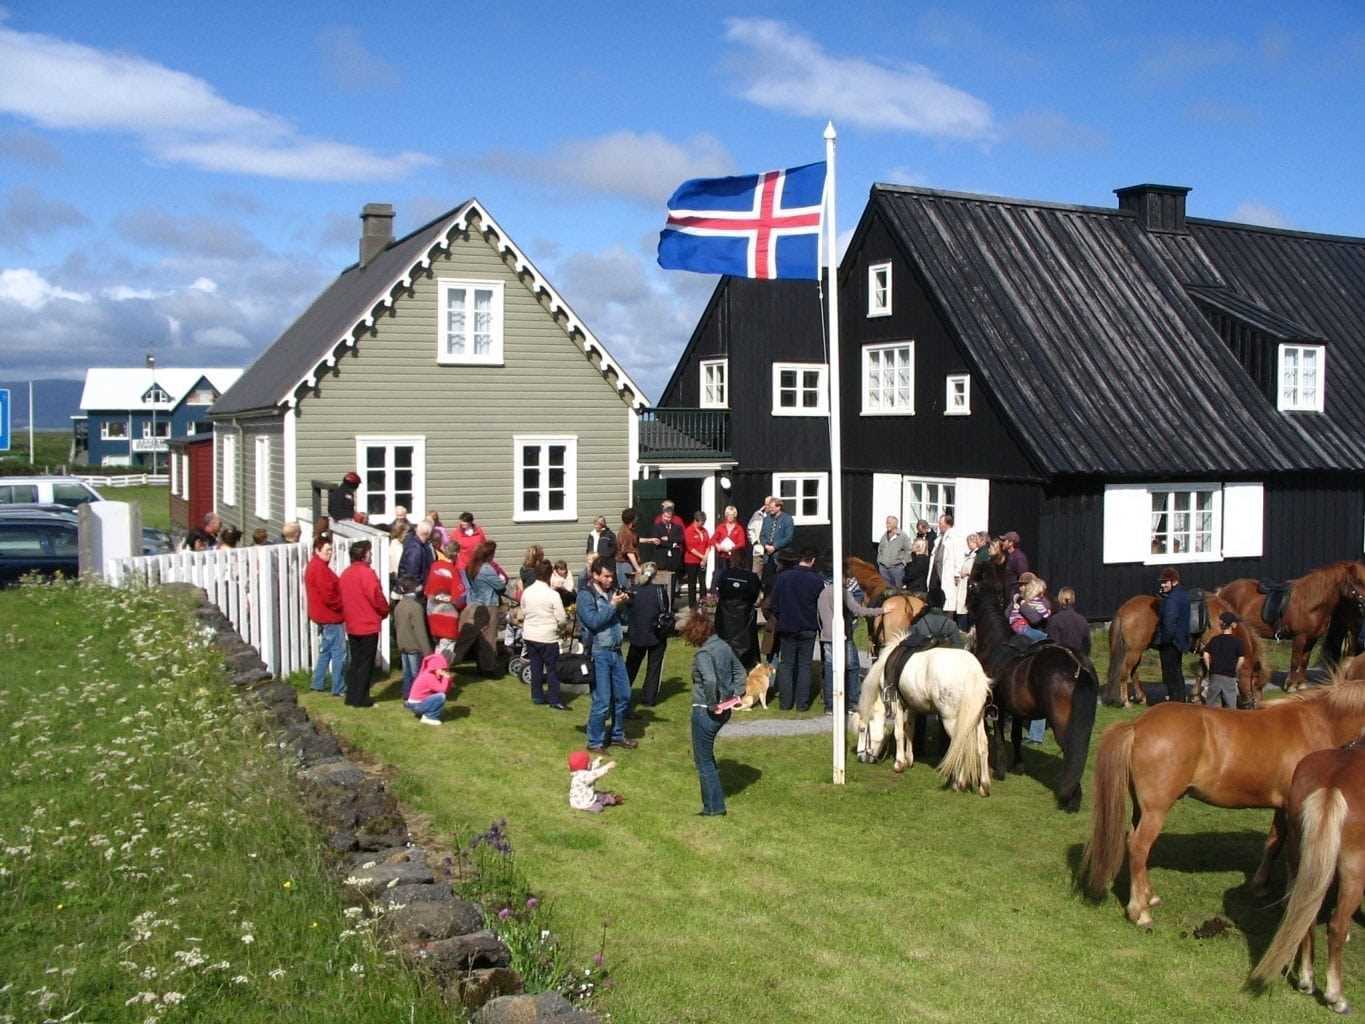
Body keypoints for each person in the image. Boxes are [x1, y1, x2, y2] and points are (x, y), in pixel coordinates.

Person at [683, 609, 747, 816]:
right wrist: (736, 695)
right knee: (708, 758)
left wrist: (712, 703)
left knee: (704, 761)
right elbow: (740, 672)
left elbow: (710, 680)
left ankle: (714, 807)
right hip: (725, 709)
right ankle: (713, 805)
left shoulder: (703, 654)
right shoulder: (723, 646)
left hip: (705, 711)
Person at [578, 558, 637, 752]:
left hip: (616, 650)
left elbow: (623, 619)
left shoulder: (612, 592)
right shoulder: (586, 596)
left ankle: (617, 735)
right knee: (602, 700)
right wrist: (612, 605)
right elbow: (593, 622)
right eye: (606, 576)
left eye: (612, 576)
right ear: (595, 575)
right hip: (599, 652)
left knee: (624, 696)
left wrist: (626, 604)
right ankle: (595, 741)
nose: (610, 580)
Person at [817, 574, 883, 713]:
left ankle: (830, 705)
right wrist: (881, 610)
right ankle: (853, 702)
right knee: (852, 667)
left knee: (830, 669)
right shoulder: (843, 592)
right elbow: (858, 610)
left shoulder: (823, 593)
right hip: (843, 635)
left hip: (827, 636)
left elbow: (819, 615)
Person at [769, 548, 824, 711]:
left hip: (787, 626)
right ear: (812, 561)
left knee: (786, 665)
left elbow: (774, 604)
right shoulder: (817, 580)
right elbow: (820, 606)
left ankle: (785, 703)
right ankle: (802, 704)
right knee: (804, 665)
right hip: (808, 626)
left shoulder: (783, 578)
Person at [339, 540, 389, 707]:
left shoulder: (346, 574)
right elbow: (376, 596)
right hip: (367, 623)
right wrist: (384, 610)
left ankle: (352, 696)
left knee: (356, 661)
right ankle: (362, 698)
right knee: (366, 663)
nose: (371, 554)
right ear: (364, 554)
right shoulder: (366, 573)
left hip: (352, 623)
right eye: (369, 552)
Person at [521, 559, 568, 709]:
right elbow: (561, 617)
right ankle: (554, 698)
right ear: (549, 575)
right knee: (552, 668)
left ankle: (537, 696)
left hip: (530, 634)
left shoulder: (527, 592)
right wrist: (561, 628)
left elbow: (524, 610)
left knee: (535, 666)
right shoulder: (552, 595)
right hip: (547, 636)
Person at [456, 540, 506, 675]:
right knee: (489, 639)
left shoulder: (471, 566)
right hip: (489, 604)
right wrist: (502, 580)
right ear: (490, 554)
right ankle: (488, 668)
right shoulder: (487, 569)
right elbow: (500, 586)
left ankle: (452, 660)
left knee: (470, 638)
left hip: (474, 603)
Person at [305, 533, 347, 695]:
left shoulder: (315, 566)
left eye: (331, 550)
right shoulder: (320, 569)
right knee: (338, 653)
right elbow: (329, 596)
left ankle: (318, 682)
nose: (330, 553)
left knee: (327, 651)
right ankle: (338, 687)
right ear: (317, 550)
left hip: (321, 614)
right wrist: (343, 606)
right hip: (330, 616)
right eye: (327, 550)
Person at [625, 563, 670, 710]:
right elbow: (665, 610)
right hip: (656, 634)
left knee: (630, 667)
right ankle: (649, 698)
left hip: (637, 634)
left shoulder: (632, 591)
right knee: (654, 667)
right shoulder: (660, 591)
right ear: (655, 575)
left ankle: (622, 693)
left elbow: (627, 611)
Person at [714, 559, 762, 669]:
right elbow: (755, 595)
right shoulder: (751, 577)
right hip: (743, 618)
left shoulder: (724, 574)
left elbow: (719, 590)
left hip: (726, 618)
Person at [393, 574, 432, 700]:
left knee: (407, 673)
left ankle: (406, 694)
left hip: (403, 644)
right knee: (417, 674)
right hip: (414, 646)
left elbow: (396, 626)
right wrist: (428, 652)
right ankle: (417, 696)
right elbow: (420, 632)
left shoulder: (399, 606)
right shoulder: (416, 607)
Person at [1155, 567, 1191, 703]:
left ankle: (1175, 702)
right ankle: (1180, 700)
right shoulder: (1183, 594)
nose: (1162, 585)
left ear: (1173, 581)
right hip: (1180, 640)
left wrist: (1163, 641)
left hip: (1170, 642)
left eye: (1165, 582)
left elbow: (1169, 622)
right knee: (1177, 672)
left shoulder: (1172, 600)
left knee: (1170, 675)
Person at [1202, 611, 1245, 708]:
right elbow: (1241, 659)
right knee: (1231, 705)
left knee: (1211, 704)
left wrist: (1210, 668)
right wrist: (1235, 669)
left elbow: (1205, 654)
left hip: (1215, 675)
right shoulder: (1238, 642)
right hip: (1229, 676)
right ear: (1233, 625)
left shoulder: (1214, 640)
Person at [404, 651, 452, 725]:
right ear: (434, 667)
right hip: (416, 705)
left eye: (444, 669)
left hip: (416, 704)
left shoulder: (430, 674)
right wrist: (446, 678)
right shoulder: (429, 676)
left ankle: (426, 713)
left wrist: (448, 680)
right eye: (441, 669)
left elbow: (446, 689)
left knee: (440, 695)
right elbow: (443, 690)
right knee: (441, 696)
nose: (444, 671)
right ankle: (429, 717)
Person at [757, 499, 795, 590]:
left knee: (781, 579)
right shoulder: (766, 519)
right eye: (769, 507)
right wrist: (765, 545)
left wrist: (775, 546)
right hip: (767, 555)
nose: (770, 509)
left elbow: (788, 537)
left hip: (781, 555)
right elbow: (762, 535)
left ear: (779, 507)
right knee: (768, 581)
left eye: (772, 507)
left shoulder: (787, 519)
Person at [1046, 587, 1091, 656]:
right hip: (1079, 659)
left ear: (1060, 600)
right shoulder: (1082, 619)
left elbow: (1053, 644)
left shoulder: (1055, 619)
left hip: (1061, 660)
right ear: (1073, 600)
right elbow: (1087, 644)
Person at [682, 510, 710, 608]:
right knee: (692, 582)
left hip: (703, 560)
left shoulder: (704, 531)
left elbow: (708, 544)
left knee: (703, 582)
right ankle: (692, 604)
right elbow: (690, 548)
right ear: (696, 521)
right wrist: (702, 557)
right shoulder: (688, 531)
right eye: (701, 522)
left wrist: (705, 558)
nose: (703, 524)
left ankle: (703, 601)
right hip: (691, 560)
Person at [876, 516, 913, 589]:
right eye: (886, 523)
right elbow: (880, 549)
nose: (886, 525)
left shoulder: (903, 536)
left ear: (895, 524)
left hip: (897, 569)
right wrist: (879, 562)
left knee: (898, 591)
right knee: (886, 591)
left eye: (889, 523)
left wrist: (903, 562)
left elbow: (909, 550)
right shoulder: (885, 535)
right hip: (883, 568)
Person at [399, 520, 436, 593]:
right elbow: (412, 573)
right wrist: (418, 588)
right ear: (428, 534)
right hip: (414, 590)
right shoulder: (415, 549)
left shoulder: (422, 545)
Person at [711, 505, 746, 579]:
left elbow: (742, 543)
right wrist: (717, 545)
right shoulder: (721, 527)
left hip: (734, 558)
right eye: (728, 515)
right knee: (722, 576)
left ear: (735, 516)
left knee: (732, 577)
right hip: (722, 556)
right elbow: (713, 539)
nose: (730, 517)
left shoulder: (739, 528)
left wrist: (732, 548)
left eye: (732, 515)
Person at [616, 508, 641, 591]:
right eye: (636, 517)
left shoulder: (629, 530)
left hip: (627, 564)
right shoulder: (625, 533)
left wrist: (650, 540)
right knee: (627, 589)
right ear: (632, 519)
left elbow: (634, 541)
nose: (637, 518)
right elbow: (629, 552)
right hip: (624, 565)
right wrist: (638, 568)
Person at [747, 497, 773, 574]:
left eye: (769, 505)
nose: (767, 506)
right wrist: (754, 542)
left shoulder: (776, 517)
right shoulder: (757, 515)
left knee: (771, 575)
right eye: (766, 504)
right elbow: (750, 529)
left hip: (771, 551)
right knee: (756, 575)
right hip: (758, 550)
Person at [1001, 531, 1030, 599]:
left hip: (1014, 595)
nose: (1002, 543)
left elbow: (1023, 577)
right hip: (1007, 594)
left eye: (1005, 540)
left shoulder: (1018, 557)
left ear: (1011, 543)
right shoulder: (1008, 556)